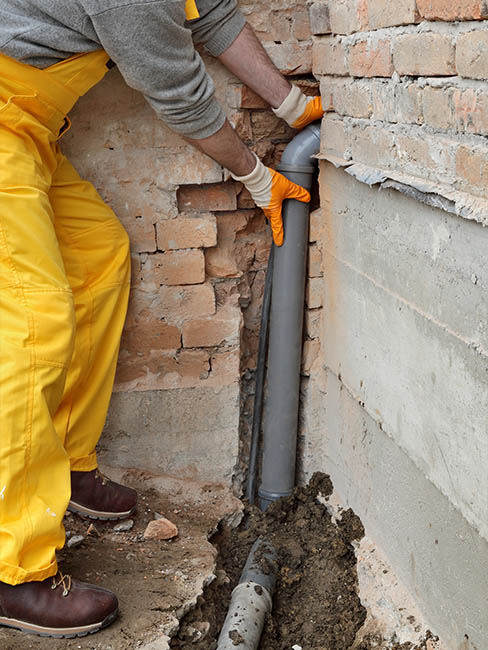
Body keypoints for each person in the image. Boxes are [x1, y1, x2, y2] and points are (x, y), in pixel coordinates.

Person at [0, 0, 323, 639]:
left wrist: (293, 106)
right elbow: (177, 91)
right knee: (34, 322)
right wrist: (257, 178)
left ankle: (65, 468)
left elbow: (211, 15)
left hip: (28, 129)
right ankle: (15, 570)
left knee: (97, 261)